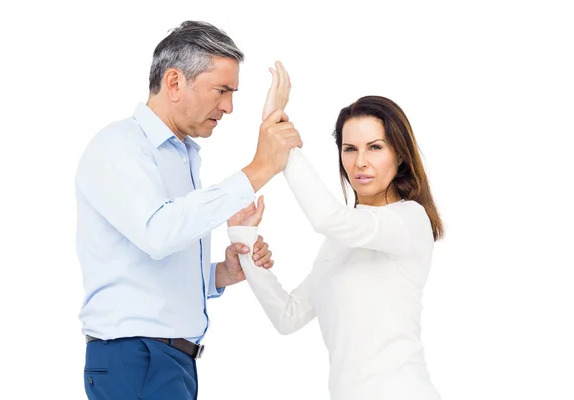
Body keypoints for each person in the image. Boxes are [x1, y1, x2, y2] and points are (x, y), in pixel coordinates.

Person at [74, 21, 302, 400]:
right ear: (175, 82)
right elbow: (158, 233)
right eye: (222, 90)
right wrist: (259, 168)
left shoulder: (182, 156)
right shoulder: (119, 146)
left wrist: (220, 275)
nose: (229, 107)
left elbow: (149, 264)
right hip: (137, 357)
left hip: (169, 360)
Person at [227, 62, 445, 400]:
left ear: (399, 155)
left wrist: (280, 138)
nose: (360, 162)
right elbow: (289, 316)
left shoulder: (409, 219)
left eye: (375, 147)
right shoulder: (340, 241)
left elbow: (328, 219)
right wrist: (245, 239)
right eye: (350, 148)